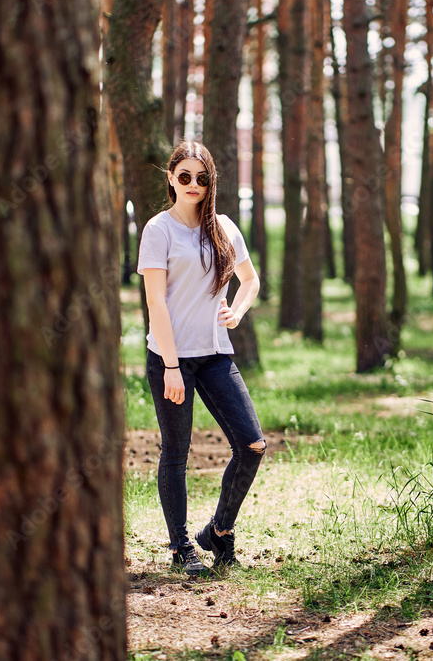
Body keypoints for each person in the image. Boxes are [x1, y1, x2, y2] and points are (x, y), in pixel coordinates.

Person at [137, 140, 266, 577]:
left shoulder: (225, 227)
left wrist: (238, 311)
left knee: (252, 445)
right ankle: (181, 547)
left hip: (215, 354)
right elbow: (156, 303)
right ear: (171, 178)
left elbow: (250, 280)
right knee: (176, 452)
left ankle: (219, 533)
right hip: (171, 357)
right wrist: (171, 366)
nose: (194, 185)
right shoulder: (159, 230)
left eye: (202, 178)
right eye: (185, 176)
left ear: (212, 181)